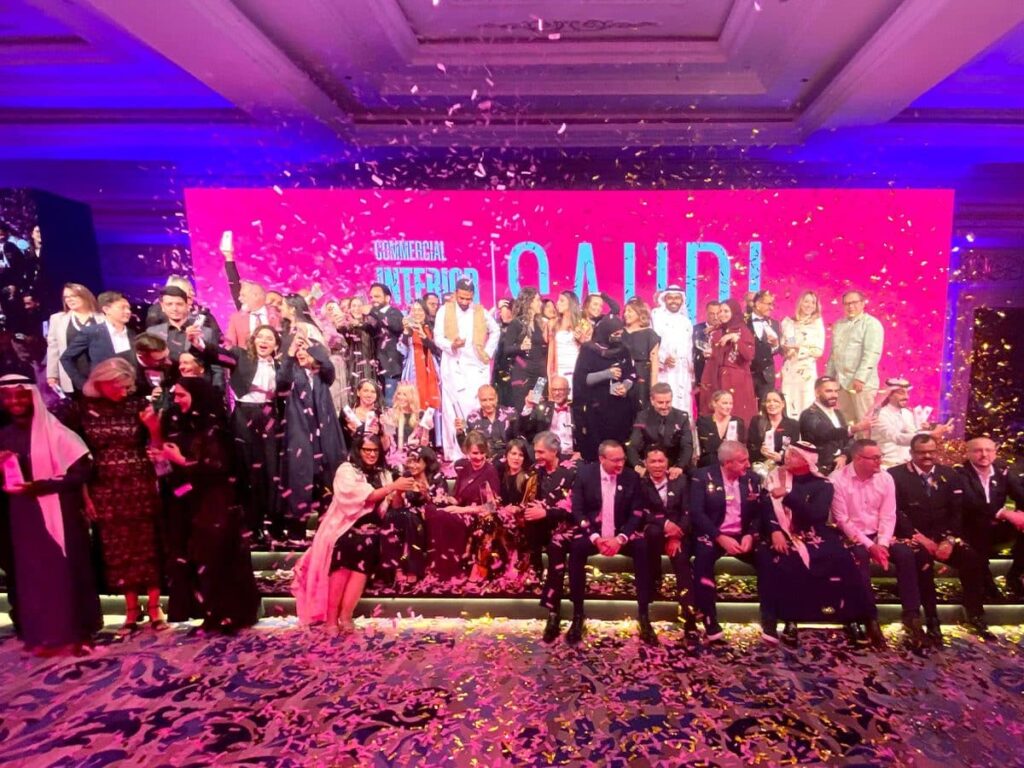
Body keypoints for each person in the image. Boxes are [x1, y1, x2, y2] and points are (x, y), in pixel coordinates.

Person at [0, 374, 101, 656]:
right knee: (34, 575)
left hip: (60, 510)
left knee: (64, 571)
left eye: (20, 395)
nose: (14, 402)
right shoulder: (4, 435)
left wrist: (42, 486)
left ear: (32, 396)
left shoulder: (57, 432)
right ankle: (44, 634)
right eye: (8, 397)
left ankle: (74, 633)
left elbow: (82, 472)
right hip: (23, 514)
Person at [153, 377, 260, 633]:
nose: (177, 401)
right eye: (175, 396)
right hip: (193, 501)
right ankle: (212, 613)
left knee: (220, 557)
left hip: (218, 503)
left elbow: (218, 466)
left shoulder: (216, 425)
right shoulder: (186, 423)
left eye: (181, 396)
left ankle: (231, 614)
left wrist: (180, 460)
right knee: (202, 558)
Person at [291, 440, 416, 633]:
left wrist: (398, 490)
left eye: (375, 450)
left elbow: (394, 507)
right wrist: (392, 486)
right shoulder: (346, 470)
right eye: (367, 449)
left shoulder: (384, 474)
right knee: (346, 557)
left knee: (363, 562)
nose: (371, 454)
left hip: (372, 531)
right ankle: (331, 620)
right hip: (343, 528)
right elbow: (365, 497)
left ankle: (346, 615)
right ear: (358, 450)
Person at [78, 358, 165, 635]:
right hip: (103, 485)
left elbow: (157, 446)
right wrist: (86, 496)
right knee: (118, 548)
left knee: (147, 543)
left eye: (129, 386)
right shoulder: (83, 408)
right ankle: (130, 610)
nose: (126, 391)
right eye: (121, 386)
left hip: (139, 480)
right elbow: (77, 456)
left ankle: (154, 607)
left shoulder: (137, 404)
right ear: (103, 382)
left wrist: (153, 427)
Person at [758, 442, 875, 647]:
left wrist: (788, 495)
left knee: (842, 558)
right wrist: (775, 530)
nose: (787, 458)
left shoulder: (823, 485)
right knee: (782, 559)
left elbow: (816, 515)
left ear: (806, 460)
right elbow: (765, 507)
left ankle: (852, 617)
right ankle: (789, 618)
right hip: (783, 533)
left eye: (793, 455)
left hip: (814, 532)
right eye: (788, 453)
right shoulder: (775, 476)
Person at [890, 434, 990, 643]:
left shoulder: (950, 475)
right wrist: (921, 538)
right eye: (921, 452)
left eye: (931, 452)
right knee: (923, 562)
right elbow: (896, 512)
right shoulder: (895, 475)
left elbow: (957, 512)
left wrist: (950, 540)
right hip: (913, 538)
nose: (927, 456)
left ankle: (975, 614)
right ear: (911, 453)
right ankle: (932, 620)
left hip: (945, 538)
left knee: (972, 558)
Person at [830, 439, 925, 649]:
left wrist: (881, 543)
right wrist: (869, 546)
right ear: (857, 459)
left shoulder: (885, 478)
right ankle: (870, 617)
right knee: (859, 557)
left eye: (880, 456)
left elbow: (888, 514)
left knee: (906, 554)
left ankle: (912, 615)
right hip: (850, 535)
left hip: (880, 534)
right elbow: (842, 520)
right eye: (875, 458)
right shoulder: (837, 480)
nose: (879, 461)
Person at [564, 440, 657, 645]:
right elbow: (577, 510)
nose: (620, 464)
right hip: (594, 534)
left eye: (623, 459)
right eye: (615, 460)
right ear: (601, 459)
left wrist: (620, 538)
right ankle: (578, 615)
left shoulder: (631, 477)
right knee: (576, 549)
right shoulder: (585, 475)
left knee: (643, 548)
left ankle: (644, 615)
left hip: (621, 535)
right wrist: (595, 538)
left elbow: (637, 513)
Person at [206, 325, 283, 542]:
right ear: (254, 340)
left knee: (269, 470)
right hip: (244, 415)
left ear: (276, 345)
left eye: (270, 338)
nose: (264, 341)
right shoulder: (240, 356)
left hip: (269, 416)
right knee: (248, 470)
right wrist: (198, 343)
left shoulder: (278, 366)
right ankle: (250, 525)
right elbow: (218, 354)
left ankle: (268, 524)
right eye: (261, 337)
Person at [690, 441, 771, 643]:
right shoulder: (702, 477)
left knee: (769, 560)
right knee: (702, 561)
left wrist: (751, 534)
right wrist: (718, 536)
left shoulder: (752, 479)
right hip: (713, 534)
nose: (748, 464)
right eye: (742, 461)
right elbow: (697, 513)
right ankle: (710, 621)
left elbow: (760, 513)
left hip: (742, 535)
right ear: (727, 463)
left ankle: (770, 620)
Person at [278, 333, 347, 541]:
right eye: (298, 351)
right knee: (300, 479)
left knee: (327, 476)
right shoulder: (292, 373)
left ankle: (326, 529)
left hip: (324, 432)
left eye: (304, 351)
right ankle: (296, 531)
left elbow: (328, 368)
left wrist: (312, 346)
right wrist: (290, 353)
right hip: (300, 432)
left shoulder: (321, 374)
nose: (301, 354)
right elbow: (281, 382)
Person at [434, 278, 500, 460]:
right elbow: (437, 337)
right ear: (455, 293)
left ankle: (478, 451)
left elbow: (496, 330)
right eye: (461, 298)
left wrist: (487, 352)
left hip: (475, 369)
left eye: (468, 299)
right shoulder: (444, 311)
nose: (464, 302)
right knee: (453, 411)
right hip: (453, 367)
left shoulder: (479, 311)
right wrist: (451, 345)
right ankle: (456, 455)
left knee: (475, 407)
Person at [639, 445, 697, 641]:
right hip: (654, 531)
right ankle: (654, 580)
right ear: (645, 464)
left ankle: (689, 617)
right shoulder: (640, 483)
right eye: (652, 461)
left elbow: (688, 510)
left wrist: (675, 536)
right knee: (652, 533)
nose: (657, 465)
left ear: (667, 463)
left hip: (680, 532)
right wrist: (665, 524)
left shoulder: (680, 481)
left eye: (661, 461)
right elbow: (641, 511)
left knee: (681, 561)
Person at [957, 436, 1024, 601]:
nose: (984, 454)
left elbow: (1021, 495)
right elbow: (971, 503)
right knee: (978, 529)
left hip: (996, 527)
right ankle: (986, 585)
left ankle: (1015, 575)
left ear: (995, 453)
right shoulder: (958, 474)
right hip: (970, 529)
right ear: (968, 453)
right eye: (978, 450)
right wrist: (1004, 513)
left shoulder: (1002, 472)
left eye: (988, 450)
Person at [428, 431, 500, 580]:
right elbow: (458, 498)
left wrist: (461, 509)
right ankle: (442, 567)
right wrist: (445, 499)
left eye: (482, 453)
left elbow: (491, 507)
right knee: (433, 511)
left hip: (477, 518)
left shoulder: (490, 471)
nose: (479, 457)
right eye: (475, 453)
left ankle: (450, 570)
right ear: (467, 451)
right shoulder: (464, 468)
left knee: (442, 516)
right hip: (461, 512)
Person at [573, 316, 637, 462]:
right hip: (596, 409)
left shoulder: (624, 350)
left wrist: (625, 386)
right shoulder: (588, 350)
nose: (618, 337)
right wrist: (607, 374)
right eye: (615, 334)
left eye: (620, 334)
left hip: (619, 408)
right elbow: (582, 379)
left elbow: (632, 373)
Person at [384, 445, 446, 584]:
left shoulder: (436, 478)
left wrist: (427, 495)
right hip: (406, 515)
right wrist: (398, 491)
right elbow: (397, 505)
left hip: (429, 517)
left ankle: (413, 569)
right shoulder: (406, 477)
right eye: (410, 461)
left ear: (426, 461)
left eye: (416, 461)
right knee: (392, 516)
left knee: (411, 518)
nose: (412, 465)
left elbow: (440, 504)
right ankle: (396, 567)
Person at [825, 290, 884, 427]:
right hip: (842, 382)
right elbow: (834, 354)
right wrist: (828, 379)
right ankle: (850, 448)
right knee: (847, 423)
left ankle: (865, 448)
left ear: (863, 304)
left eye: (854, 303)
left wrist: (860, 377)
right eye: (846, 304)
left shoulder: (871, 324)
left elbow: (872, 353)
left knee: (865, 422)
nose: (850, 307)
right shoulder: (839, 325)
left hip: (862, 384)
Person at [59, 291, 136, 392]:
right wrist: (83, 384)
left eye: (128, 308)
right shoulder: (92, 332)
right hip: (104, 393)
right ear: (106, 309)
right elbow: (66, 358)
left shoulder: (133, 334)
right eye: (122, 308)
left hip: (132, 391)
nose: (128, 311)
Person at [698, 297, 758, 424]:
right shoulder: (718, 331)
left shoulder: (743, 331)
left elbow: (749, 356)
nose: (722, 314)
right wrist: (710, 353)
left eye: (726, 311)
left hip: (737, 380)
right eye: (720, 311)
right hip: (717, 378)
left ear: (734, 312)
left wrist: (735, 338)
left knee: (736, 415)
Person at [873, 377, 952, 467]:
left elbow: (913, 435)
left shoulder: (907, 413)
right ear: (889, 394)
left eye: (907, 393)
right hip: (886, 465)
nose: (906, 397)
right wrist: (929, 434)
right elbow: (897, 438)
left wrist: (927, 430)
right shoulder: (880, 415)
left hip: (907, 464)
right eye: (901, 393)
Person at [799, 377, 872, 474]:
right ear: (817, 393)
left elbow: (849, 440)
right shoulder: (808, 414)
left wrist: (844, 456)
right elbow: (826, 433)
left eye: (836, 391)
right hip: (820, 471)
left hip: (843, 469)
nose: (834, 395)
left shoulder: (838, 413)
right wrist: (855, 428)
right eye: (829, 391)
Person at [45, 283, 102, 396]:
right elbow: (53, 348)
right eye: (66, 297)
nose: (69, 300)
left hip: (98, 372)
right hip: (72, 373)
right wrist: (52, 375)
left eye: (73, 296)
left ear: (85, 296)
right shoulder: (57, 319)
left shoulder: (102, 318)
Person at [626, 382, 694, 475]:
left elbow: (687, 446)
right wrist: (638, 465)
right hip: (650, 465)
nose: (665, 406)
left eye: (668, 402)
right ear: (652, 400)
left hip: (673, 466)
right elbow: (633, 445)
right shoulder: (642, 417)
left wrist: (679, 467)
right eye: (660, 403)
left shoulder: (682, 417)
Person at [500, 287, 548, 413]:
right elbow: (507, 350)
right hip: (523, 373)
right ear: (529, 302)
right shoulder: (516, 324)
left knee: (537, 409)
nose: (540, 303)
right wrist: (521, 347)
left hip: (539, 374)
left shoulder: (540, 324)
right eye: (537, 300)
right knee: (524, 409)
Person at [780, 291, 825, 418]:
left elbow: (818, 350)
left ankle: (806, 436)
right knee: (789, 402)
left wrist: (799, 348)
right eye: (806, 301)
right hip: (790, 369)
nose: (809, 305)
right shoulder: (789, 322)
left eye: (813, 302)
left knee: (806, 403)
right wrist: (789, 348)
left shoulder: (817, 323)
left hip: (806, 371)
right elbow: (789, 345)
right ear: (800, 303)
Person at [651, 285, 694, 415]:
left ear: (682, 300)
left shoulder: (686, 321)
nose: (674, 301)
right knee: (665, 401)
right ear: (664, 299)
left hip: (682, 371)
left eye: (677, 298)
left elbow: (689, 348)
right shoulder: (656, 317)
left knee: (683, 405)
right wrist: (663, 359)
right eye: (670, 298)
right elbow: (652, 343)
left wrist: (692, 373)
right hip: (663, 370)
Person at [398, 299, 441, 424]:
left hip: (431, 371)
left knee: (432, 404)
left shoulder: (432, 328)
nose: (417, 313)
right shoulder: (408, 331)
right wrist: (406, 333)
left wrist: (424, 337)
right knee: (413, 401)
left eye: (420, 310)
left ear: (425, 312)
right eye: (414, 310)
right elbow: (402, 351)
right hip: (413, 371)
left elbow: (438, 351)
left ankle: (432, 437)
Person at [455, 384, 518, 459]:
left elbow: (518, 442)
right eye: (484, 400)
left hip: (507, 459)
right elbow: (466, 449)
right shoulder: (472, 417)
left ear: (496, 398)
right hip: (483, 460)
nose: (488, 404)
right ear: (479, 400)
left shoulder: (510, 413)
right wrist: (460, 432)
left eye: (491, 399)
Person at [366, 283, 405, 405]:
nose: (373, 300)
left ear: (387, 298)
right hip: (376, 369)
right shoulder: (372, 316)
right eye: (371, 297)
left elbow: (396, 326)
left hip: (391, 369)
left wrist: (373, 312)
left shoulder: (395, 313)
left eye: (377, 297)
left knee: (390, 406)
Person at [621, 297, 660, 414]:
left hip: (642, 377)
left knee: (641, 412)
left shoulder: (650, 334)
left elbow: (654, 363)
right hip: (622, 375)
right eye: (625, 311)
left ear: (639, 313)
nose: (626, 314)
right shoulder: (619, 332)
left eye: (630, 311)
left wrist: (654, 389)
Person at [520, 375, 576, 454]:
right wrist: (528, 406)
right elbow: (525, 431)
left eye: (560, 390)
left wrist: (581, 453)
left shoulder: (577, 410)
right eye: (554, 390)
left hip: (572, 456)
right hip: (547, 456)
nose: (557, 393)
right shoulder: (542, 409)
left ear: (568, 391)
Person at [547, 290, 584, 400]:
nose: (557, 303)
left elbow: (588, 349)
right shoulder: (553, 323)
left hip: (576, 368)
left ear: (571, 304)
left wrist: (581, 340)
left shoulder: (581, 323)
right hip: (559, 370)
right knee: (560, 402)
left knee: (575, 403)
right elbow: (550, 354)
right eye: (558, 300)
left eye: (562, 300)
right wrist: (550, 375)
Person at [747, 390, 800, 467]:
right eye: (768, 401)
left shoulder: (793, 424)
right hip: (760, 468)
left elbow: (795, 453)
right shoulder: (756, 421)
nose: (772, 404)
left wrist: (781, 458)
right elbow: (749, 449)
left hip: (783, 469)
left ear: (783, 404)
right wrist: (760, 451)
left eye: (776, 401)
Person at [747, 291, 782, 404]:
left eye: (772, 304)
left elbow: (778, 349)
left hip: (767, 375)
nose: (771, 308)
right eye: (768, 304)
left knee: (766, 410)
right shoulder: (743, 322)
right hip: (747, 374)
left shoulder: (775, 324)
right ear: (757, 304)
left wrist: (776, 344)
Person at [695, 390, 746, 468]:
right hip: (708, 465)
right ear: (714, 403)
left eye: (731, 403)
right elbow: (705, 447)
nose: (729, 407)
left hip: (730, 466)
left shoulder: (738, 422)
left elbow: (742, 448)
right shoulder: (703, 421)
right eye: (725, 403)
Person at [225, 279, 282, 347]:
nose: (239, 298)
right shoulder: (235, 318)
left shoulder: (277, 315)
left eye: (243, 295)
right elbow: (229, 344)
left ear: (255, 296)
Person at [692, 300, 720, 412]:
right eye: (712, 314)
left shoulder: (725, 331)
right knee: (702, 408)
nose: (715, 317)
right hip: (701, 374)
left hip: (719, 376)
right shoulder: (695, 330)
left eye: (718, 313)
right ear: (706, 314)